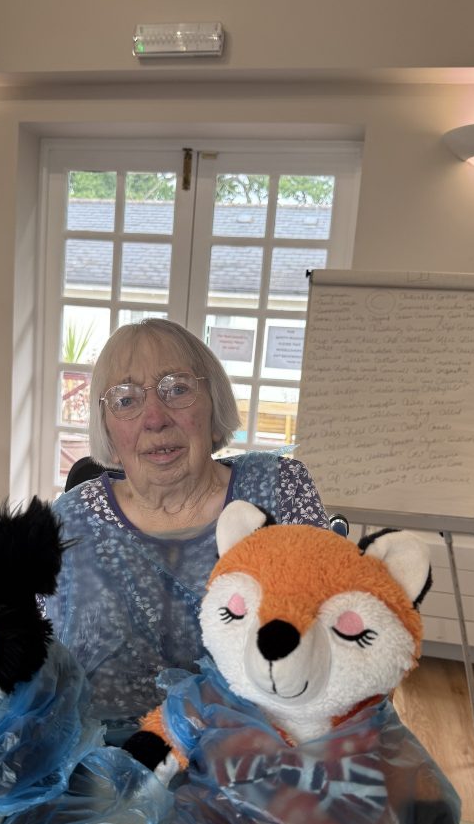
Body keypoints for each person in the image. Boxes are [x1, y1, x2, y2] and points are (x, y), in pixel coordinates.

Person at [44, 318, 329, 744]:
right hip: (102, 763)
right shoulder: (70, 521)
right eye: (126, 399)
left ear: (213, 406)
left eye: (177, 389)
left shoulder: (277, 491)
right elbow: (35, 664)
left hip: (255, 759)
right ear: (107, 428)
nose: (154, 418)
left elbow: (340, 638)